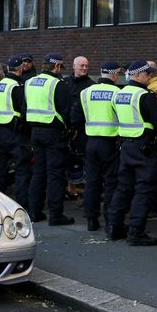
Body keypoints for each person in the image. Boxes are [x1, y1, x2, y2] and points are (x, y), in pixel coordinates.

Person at [106, 60, 157, 245]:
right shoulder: (145, 96)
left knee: (123, 188)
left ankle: (114, 228)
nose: (150, 77)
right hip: (144, 148)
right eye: (148, 74)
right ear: (138, 75)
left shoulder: (120, 94)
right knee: (144, 190)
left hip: (126, 147)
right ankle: (135, 233)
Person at [25, 53, 74, 226]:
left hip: (35, 132)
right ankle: (56, 215)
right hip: (53, 134)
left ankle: (34, 212)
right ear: (57, 67)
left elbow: (25, 107)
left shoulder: (29, 82)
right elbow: (67, 111)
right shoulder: (57, 84)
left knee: (38, 172)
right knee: (55, 175)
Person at [75, 61, 122, 231]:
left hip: (91, 142)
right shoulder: (117, 92)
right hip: (110, 142)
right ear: (115, 74)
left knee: (92, 182)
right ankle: (109, 220)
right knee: (110, 182)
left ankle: (91, 220)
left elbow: (77, 117)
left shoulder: (86, 92)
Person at [0, 55, 31, 209]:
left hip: (0, 131)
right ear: (20, 69)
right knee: (21, 168)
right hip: (16, 132)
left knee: (0, 167)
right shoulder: (16, 87)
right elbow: (22, 109)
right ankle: (22, 203)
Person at [64, 56, 95, 199]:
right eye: (81, 65)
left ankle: (82, 188)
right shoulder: (65, 83)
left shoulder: (91, 85)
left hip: (82, 129)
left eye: (86, 66)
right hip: (65, 128)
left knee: (81, 160)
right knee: (67, 159)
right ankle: (70, 188)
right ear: (74, 66)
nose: (84, 68)